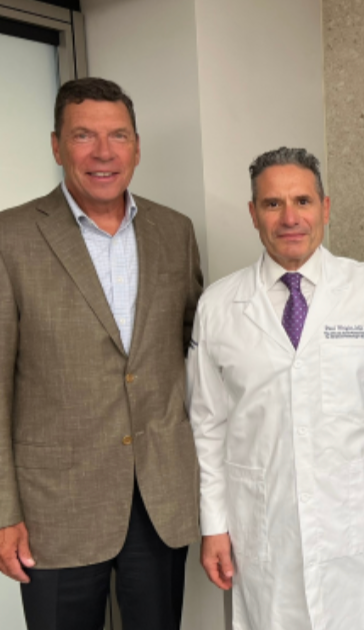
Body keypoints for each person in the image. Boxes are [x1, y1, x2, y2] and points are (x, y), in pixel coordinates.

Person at [187, 147, 364, 630]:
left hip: (357, 538)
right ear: (253, 213)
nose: (290, 218)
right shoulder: (218, 305)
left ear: (325, 207)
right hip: (266, 535)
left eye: (302, 201)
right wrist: (213, 526)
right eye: (273, 204)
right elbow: (207, 425)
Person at [0, 78, 203, 630]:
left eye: (118, 136)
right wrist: (4, 512)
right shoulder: (10, 237)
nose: (103, 152)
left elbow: (197, 350)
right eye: (83, 135)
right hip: (54, 508)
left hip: (159, 499)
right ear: (56, 145)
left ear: (137, 147)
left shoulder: (175, 232)